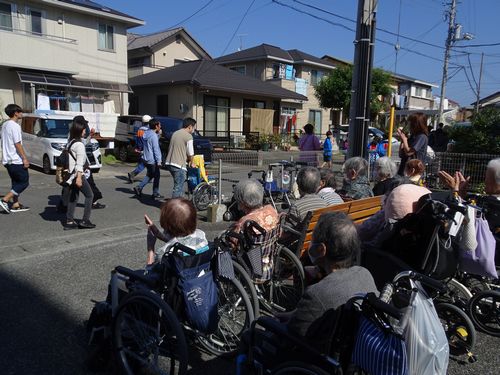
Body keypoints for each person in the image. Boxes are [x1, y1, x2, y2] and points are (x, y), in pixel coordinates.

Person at [287, 212, 378, 349]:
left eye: (313, 240)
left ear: (321, 249)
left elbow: (292, 334)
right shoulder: (365, 274)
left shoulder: (316, 294)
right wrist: (294, 314)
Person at [144, 198, 209, 265]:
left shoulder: (165, 254)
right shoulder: (201, 236)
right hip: (199, 273)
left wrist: (150, 249)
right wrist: (157, 233)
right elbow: (182, 242)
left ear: (166, 226)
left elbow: (149, 273)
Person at [64, 117, 95, 229]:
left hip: (70, 174)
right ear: (79, 130)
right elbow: (79, 164)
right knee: (90, 195)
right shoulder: (80, 145)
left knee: (74, 197)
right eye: (83, 129)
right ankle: (85, 220)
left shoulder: (71, 142)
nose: (85, 131)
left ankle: (69, 221)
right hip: (77, 174)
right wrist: (78, 177)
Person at [0, 104, 30, 213]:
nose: (21, 113)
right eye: (20, 111)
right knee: (24, 182)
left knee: (16, 182)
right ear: (15, 113)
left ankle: (15, 204)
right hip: (15, 159)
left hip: (7, 159)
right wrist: (24, 158)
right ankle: (5, 200)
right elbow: (17, 143)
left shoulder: (4, 125)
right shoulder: (15, 126)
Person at [164, 117, 196, 198]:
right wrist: (192, 162)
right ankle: (174, 207)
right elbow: (190, 152)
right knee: (178, 187)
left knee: (178, 184)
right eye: (194, 127)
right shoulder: (188, 136)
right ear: (190, 126)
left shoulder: (175, 133)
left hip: (169, 162)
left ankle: (180, 202)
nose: (194, 129)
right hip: (178, 164)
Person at [133, 119, 163, 199]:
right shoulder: (153, 136)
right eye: (159, 125)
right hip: (152, 159)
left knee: (150, 175)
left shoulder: (146, 133)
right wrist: (159, 161)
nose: (160, 126)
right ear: (156, 126)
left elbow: (150, 143)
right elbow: (155, 149)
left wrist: (158, 135)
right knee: (155, 175)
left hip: (145, 157)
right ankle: (154, 193)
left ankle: (139, 188)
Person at [127, 114, 151, 183]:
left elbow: (138, 140)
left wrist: (138, 148)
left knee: (143, 164)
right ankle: (148, 177)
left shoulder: (139, 130)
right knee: (146, 164)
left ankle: (133, 174)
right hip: (146, 150)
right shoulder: (147, 130)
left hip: (140, 149)